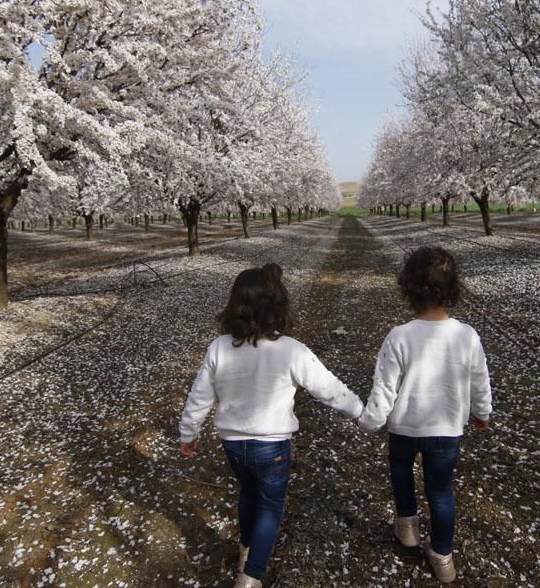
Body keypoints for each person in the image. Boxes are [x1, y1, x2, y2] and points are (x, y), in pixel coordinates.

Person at [178, 263, 364, 588]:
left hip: (233, 445)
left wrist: (188, 432)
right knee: (270, 507)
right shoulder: (291, 351)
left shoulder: (219, 348)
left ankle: (245, 549)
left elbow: (199, 396)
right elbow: (329, 389)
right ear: (279, 306)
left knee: (248, 493)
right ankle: (250, 576)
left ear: (235, 305)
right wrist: (361, 411)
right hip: (272, 448)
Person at [358, 246, 493, 584]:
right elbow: (479, 380)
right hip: (447, 428)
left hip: (405, 427)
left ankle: (407, 527)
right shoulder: (467, 336)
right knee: (441, 491)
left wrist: (371, 420)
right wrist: (482, 412)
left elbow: (384, 389)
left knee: (401, 470)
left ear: (409, 288)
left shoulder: (399, 337)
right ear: (453, 289)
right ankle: (443, 556)